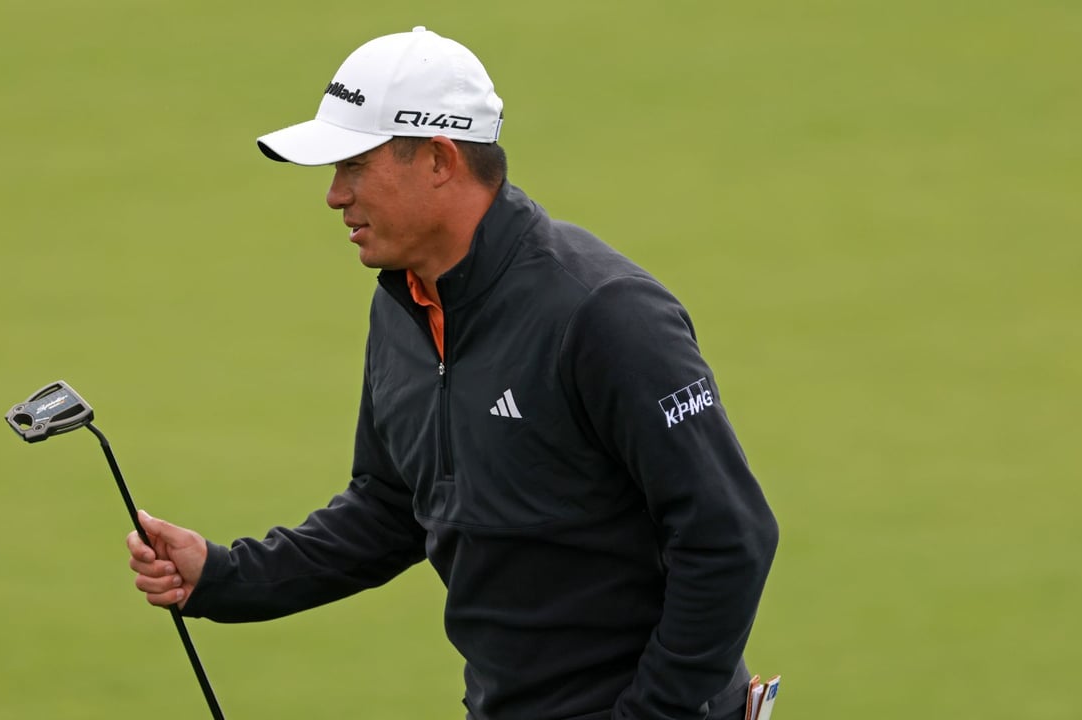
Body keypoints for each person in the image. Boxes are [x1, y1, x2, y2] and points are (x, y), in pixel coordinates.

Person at [127, 26, 779, 720]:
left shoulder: (604, 314)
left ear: (438, 159)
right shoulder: (406, 306)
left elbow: (729, 537)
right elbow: (392, 505)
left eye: (353, 165)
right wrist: (227, 577)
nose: (334, 196)